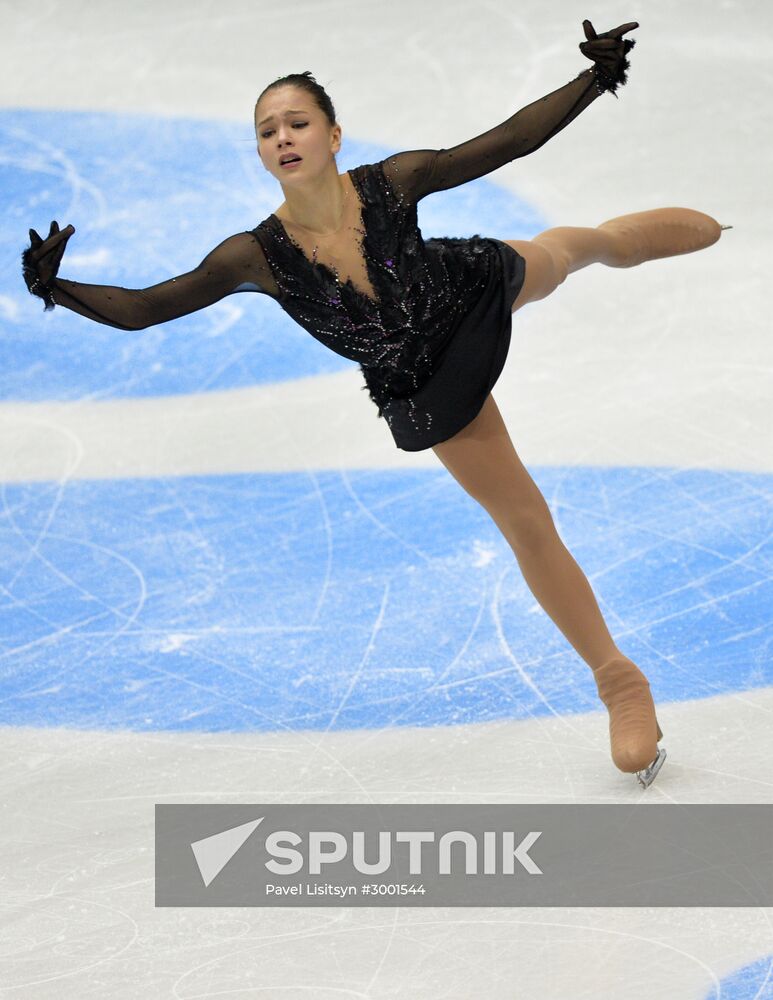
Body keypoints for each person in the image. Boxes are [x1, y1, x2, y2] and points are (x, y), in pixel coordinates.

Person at [21, 19, 731, 787]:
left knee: (564, 254)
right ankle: (618, 681)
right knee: (525, 520)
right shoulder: (252, 256)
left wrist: (592, 79)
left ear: (332, 134)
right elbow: (148, 307)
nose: (283, 137)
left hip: (465, 295)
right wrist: (57, 288)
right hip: (424, 381)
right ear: (261, 153)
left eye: (297, 122)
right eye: (267, 130)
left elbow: (503, 142)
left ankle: (614, 241)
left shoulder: (390, 182)